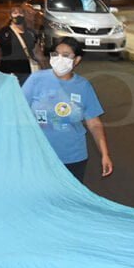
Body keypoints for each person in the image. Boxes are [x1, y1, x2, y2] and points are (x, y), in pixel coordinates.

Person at [22, 37, 113, 183]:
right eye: (56, 54)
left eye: (66, 55)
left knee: (68, 203)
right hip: (39, 155)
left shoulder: (83, 86)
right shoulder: (36, 80)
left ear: (76, 60)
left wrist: (105, 154)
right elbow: (18, 110)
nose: (59, 59)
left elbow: (94, 123)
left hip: (73, 158)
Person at [0, 6, 44, 85]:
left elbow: (37, 53)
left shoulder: (31, 33)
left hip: (26, 73)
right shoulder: (4, 32)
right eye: (15, 13)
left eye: (20, 13)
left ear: (24, 15)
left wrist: (45, 69)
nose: (18, 15)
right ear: (10, 16)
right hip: (8, 73)